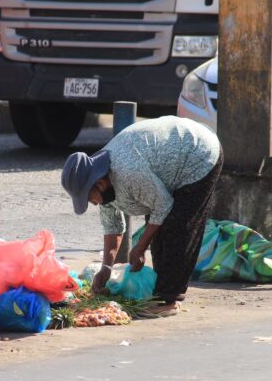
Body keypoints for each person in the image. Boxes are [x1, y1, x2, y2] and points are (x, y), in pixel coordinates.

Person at [61, 115, 223, 316]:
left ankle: (168, 300)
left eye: (89, 198)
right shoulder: (101, 181)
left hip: (199, 153)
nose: (92, 203)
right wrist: (106, 268)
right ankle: (161, 292)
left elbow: (163, 206)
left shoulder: (128, 172)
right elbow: (113, 227)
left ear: (100, 184)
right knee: (158, 229)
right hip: (168, 166)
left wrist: (140, 246)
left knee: (177, 226)